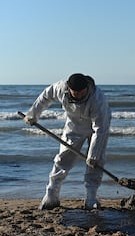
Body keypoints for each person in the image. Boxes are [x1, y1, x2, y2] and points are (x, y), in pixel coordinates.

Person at [23, 73, 111, 210]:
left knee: (96, 162)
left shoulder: (97, 99)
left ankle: (91, 197)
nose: (79, 95)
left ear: (87, 88)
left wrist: (93, 155)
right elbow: (45, 96)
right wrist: (33, 114)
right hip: (74, 126)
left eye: (82, 92)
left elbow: (100, 130)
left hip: (97, 128)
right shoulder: (60, 88)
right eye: (76, 92)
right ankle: (51, 195)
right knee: (62, 159)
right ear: (69, 88)